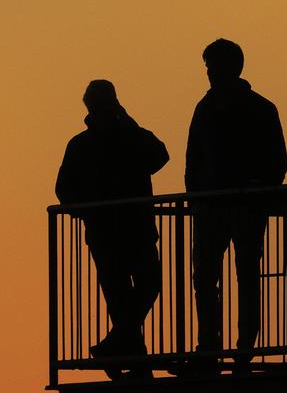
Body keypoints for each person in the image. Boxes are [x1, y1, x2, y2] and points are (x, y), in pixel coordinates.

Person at [185, 39, 287, 374]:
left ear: (232, 68)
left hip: (244, 207)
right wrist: (198, 198)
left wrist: (257, 187)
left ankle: (243, 345)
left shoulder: (259, 108)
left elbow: (277, 162)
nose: (210, 74)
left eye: (213, 67)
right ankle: (209, 346)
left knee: (244, 274)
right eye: (208, 67)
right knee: (207, 277)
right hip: (212, 208)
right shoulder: (206, 108)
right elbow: (193, 159)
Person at [55, 79, 168, 380]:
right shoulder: (87, 144)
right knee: (133, 293)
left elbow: (159, 156)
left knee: (136, 292)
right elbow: (64, 190)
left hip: (122, 231)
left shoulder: (105, 140)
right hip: (120, 231)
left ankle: (116, 348)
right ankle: (133, 361)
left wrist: (88, 213)